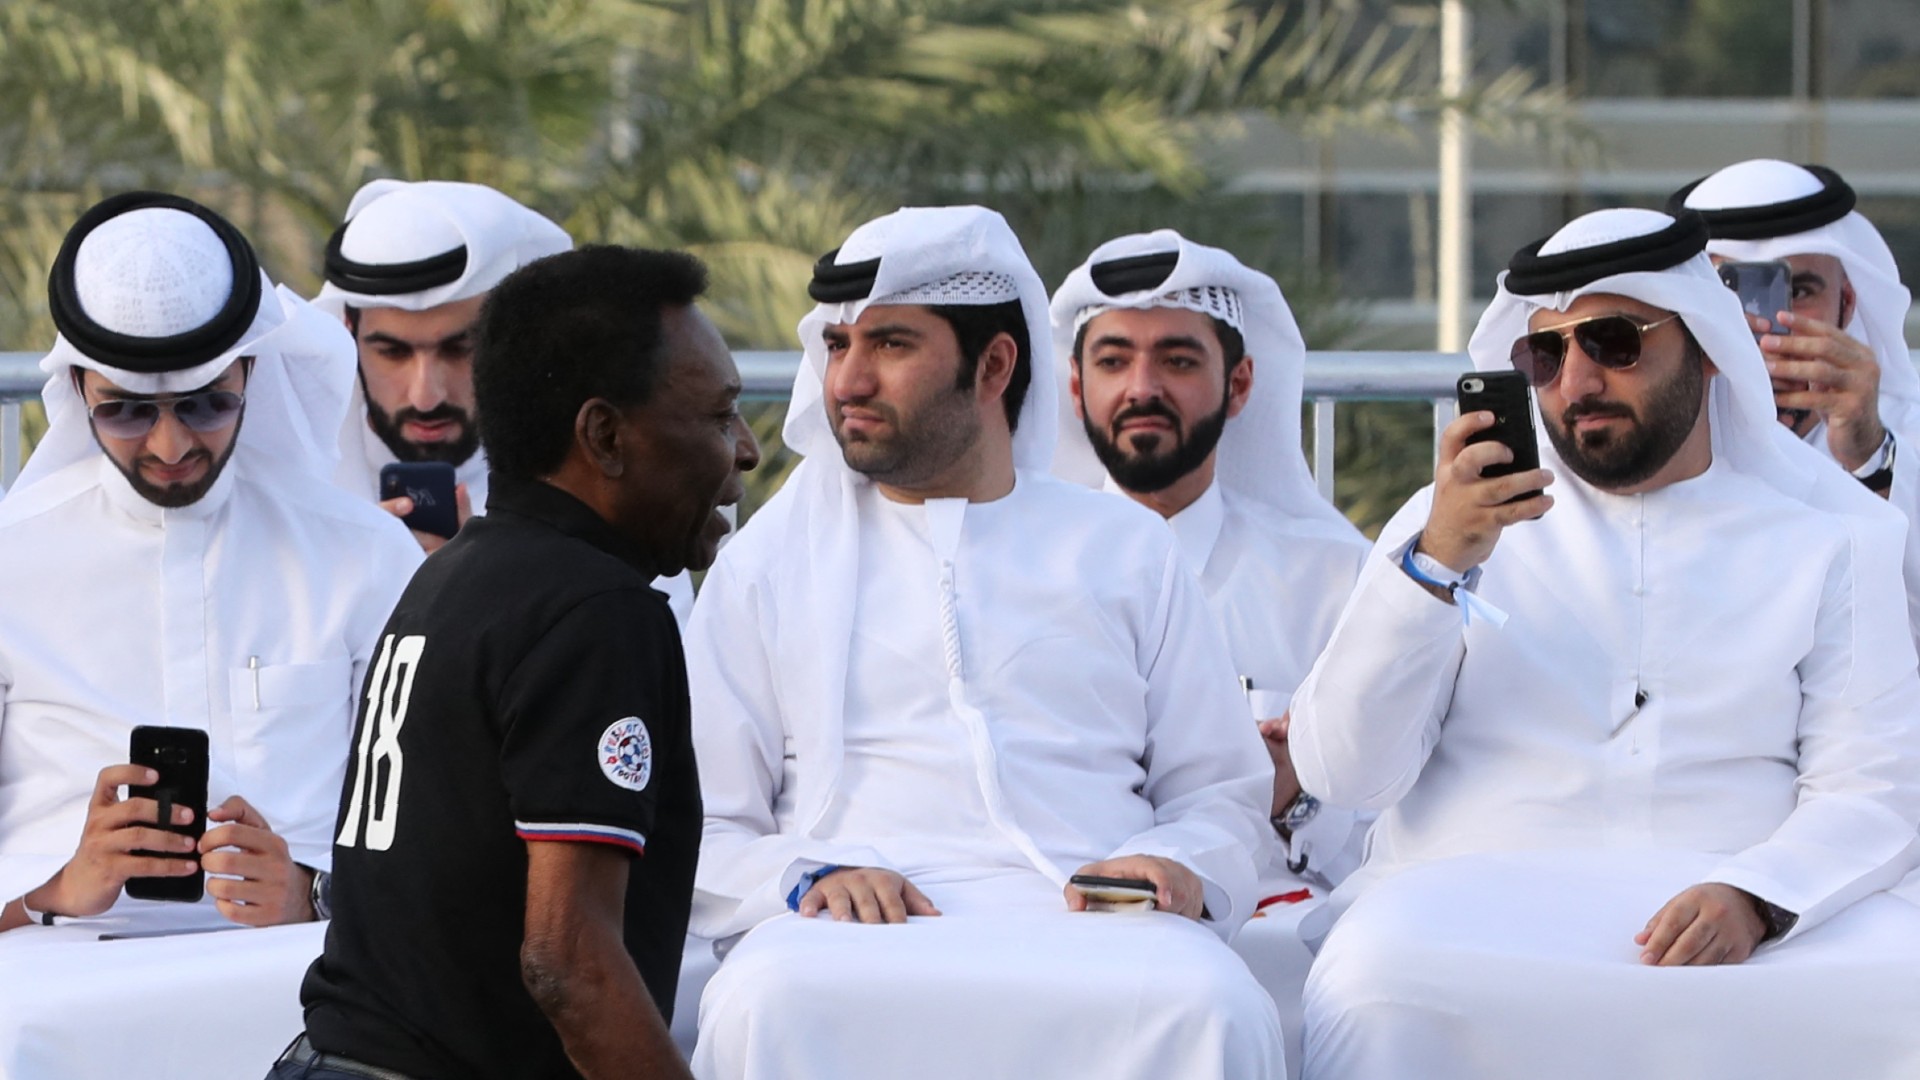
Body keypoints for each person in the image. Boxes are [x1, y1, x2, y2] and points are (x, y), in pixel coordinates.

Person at [1289, 207, 1920, 1079]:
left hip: (1743, 909)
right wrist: (1436, 570)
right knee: (1377, 984)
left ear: (1703, 346)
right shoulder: (1448, 529)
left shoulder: (1831, 539)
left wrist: (1759, 896)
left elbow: (1875, 785)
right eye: (1545, 356)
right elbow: (1344, 774)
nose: (1576, 381)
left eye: (1613, 342)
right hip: (1477, 907)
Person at [685, 205, 1283, 1080]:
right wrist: (806, 874)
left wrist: (1176, 864)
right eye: (839, 344)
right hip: (845, 926)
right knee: (767, 999)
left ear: (995, 364)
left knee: (1211, 1004)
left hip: (1096, 914)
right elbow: (707, 819)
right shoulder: (768, 565)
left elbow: (1221, 792)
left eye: (889, 344)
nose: (846, 380)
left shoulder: (1122, 547)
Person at [287, 246, 758, 1080]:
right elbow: (568, 964)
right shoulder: (597, 612)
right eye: (721, 416)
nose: (748, 450)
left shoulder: (453, 574)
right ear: (605, 436)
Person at [0, 191, 421, 933]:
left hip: (300, 976)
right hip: (56, 985)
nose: (170, 447)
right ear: (76, 389)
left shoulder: (362, 554)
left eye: (205, 405)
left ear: (250, 375)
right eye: (126, 410)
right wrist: (55, 888)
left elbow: (435, 824)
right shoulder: (13, 559)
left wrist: (313, 893)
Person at [1049, 232, 1370, 1070]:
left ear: (1240, 385)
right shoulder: (1014, 578)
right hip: (1063, 921)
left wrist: (1302, 796)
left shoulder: (1334, 578)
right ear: (1075, 386)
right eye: (1114, 360)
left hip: (1278, 935)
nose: (1143, 388)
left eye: (1179, 360)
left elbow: (1395, 818)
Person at [1670, 159, 1920, 643]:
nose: (1769, 318)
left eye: (1800, 290)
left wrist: (1871, 454)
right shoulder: (1658, 430)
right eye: (1730, 292)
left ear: (1846, 304)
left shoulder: (1904, 428)